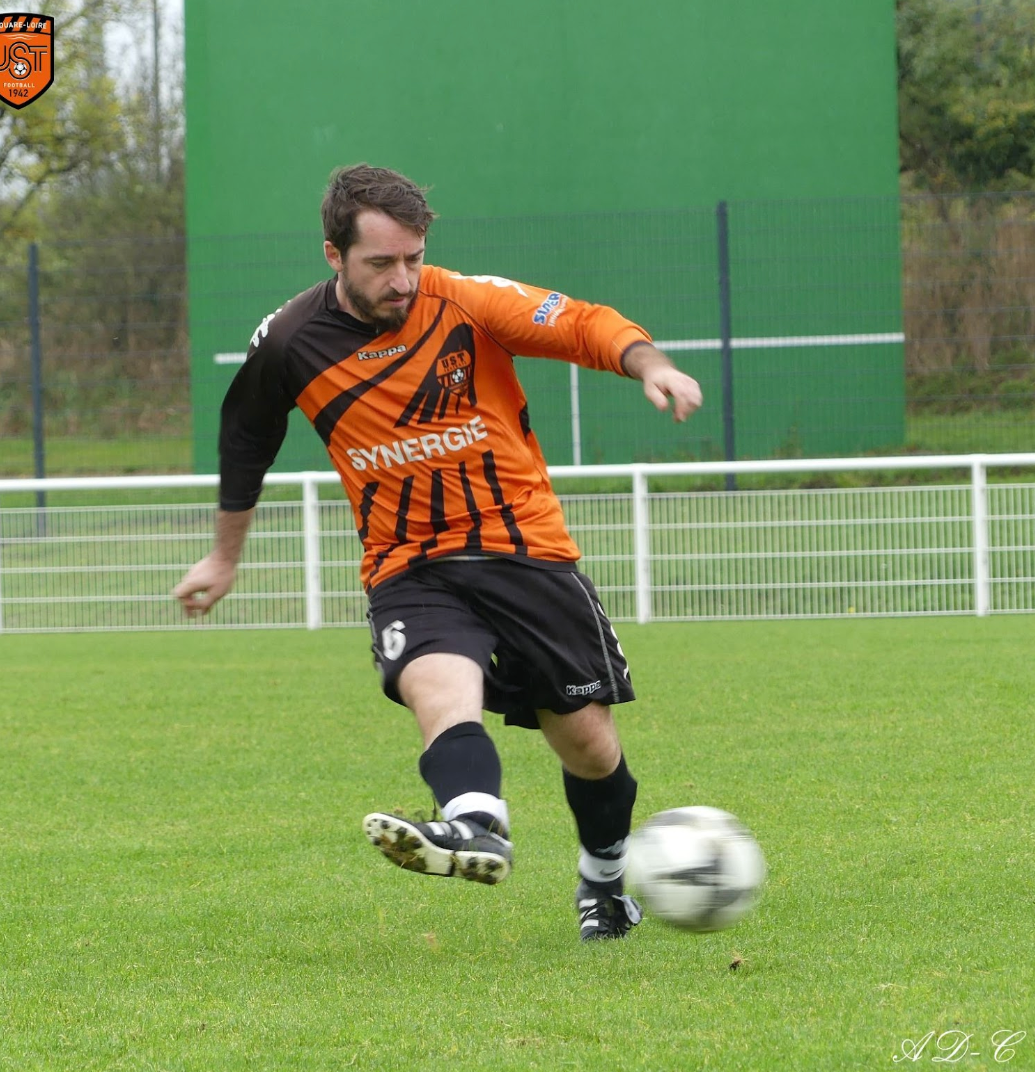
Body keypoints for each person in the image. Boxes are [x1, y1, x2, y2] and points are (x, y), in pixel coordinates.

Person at [173, 164, 703, 941]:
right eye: (381, 263)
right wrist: (224, 557)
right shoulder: (289, 340)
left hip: (522, 548)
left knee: (587, 744)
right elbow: (246, 438)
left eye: (413, 258)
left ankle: (603, 879)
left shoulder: (466, 302)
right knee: (439, 690)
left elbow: (582, 324)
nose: (402, 280)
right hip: (409, 563)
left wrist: (652, 365)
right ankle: (475, 824)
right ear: (334, 255)